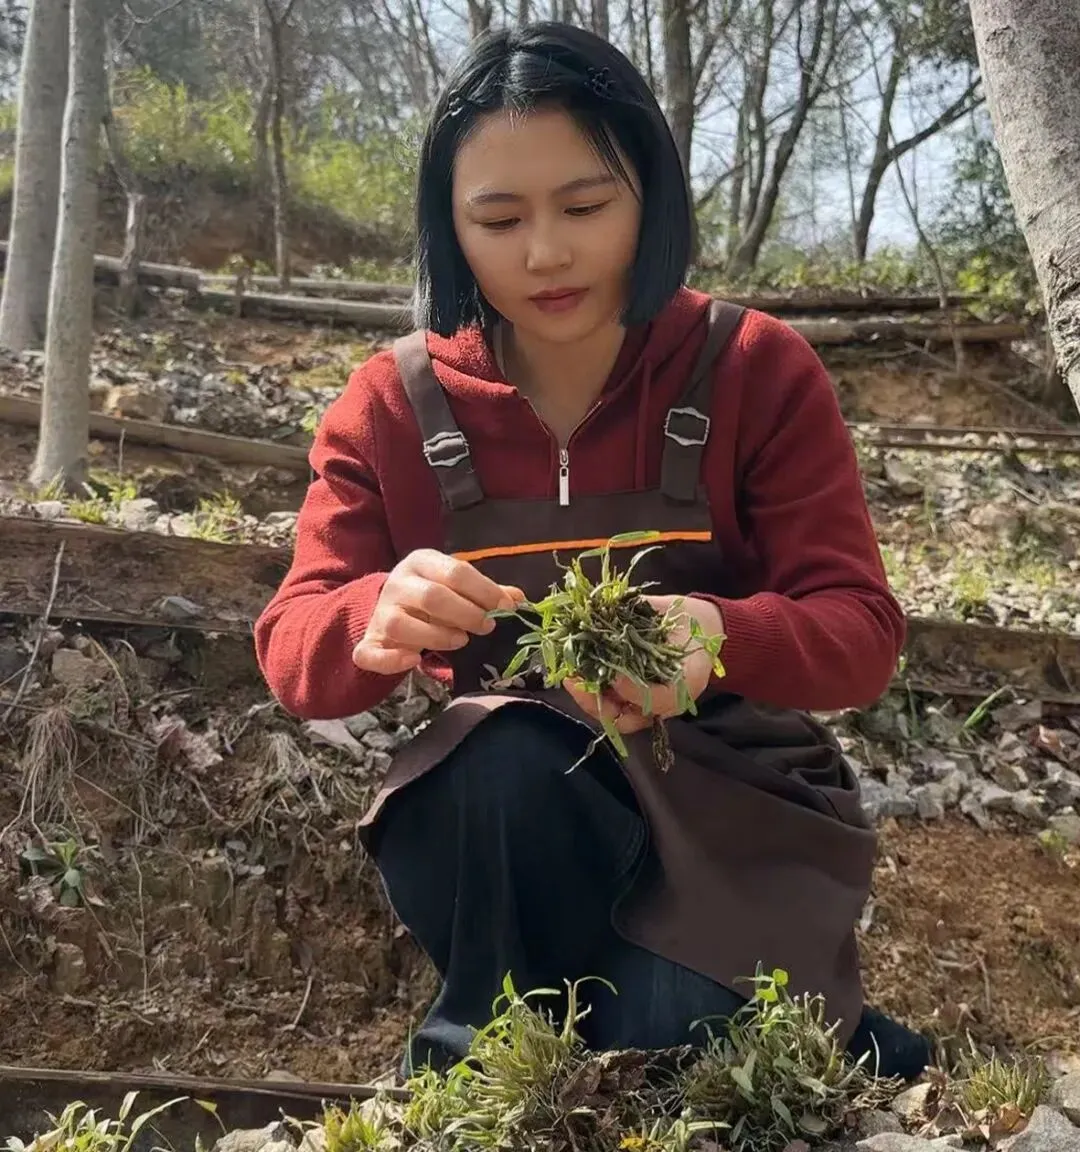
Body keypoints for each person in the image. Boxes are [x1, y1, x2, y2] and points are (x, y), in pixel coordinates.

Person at [255, 21, 931, 1083]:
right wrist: (372, 614)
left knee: (673, 1041)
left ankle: (802, 1016)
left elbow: (861, 634)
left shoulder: (754, 369)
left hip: (732, 800)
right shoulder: (392, 404)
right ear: (448, 228)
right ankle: (479, 1044)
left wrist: (719, 635)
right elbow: (295, 647)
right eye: (498, 218)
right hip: (516, 824)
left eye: (584, 206)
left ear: (650, 195)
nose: (546, 254)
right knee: (498, 753)